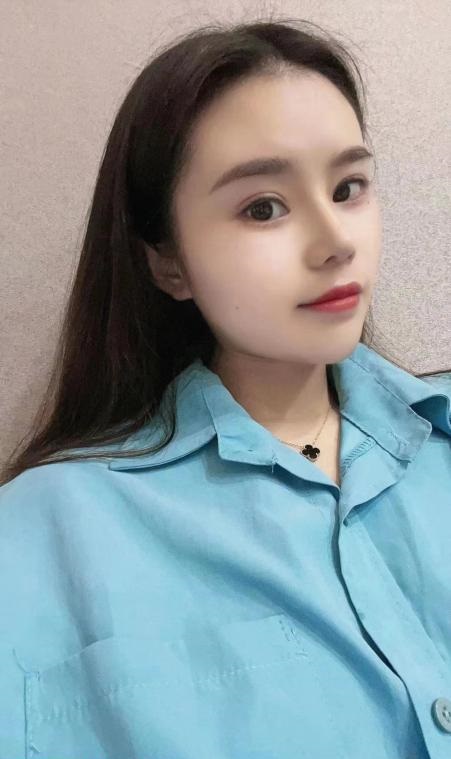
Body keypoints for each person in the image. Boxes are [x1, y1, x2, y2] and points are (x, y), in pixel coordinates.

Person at [1, 15, 450, 759]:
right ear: (168, 262)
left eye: (347, 187)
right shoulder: (41, 537)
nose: (335, 241)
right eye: (262, 207)